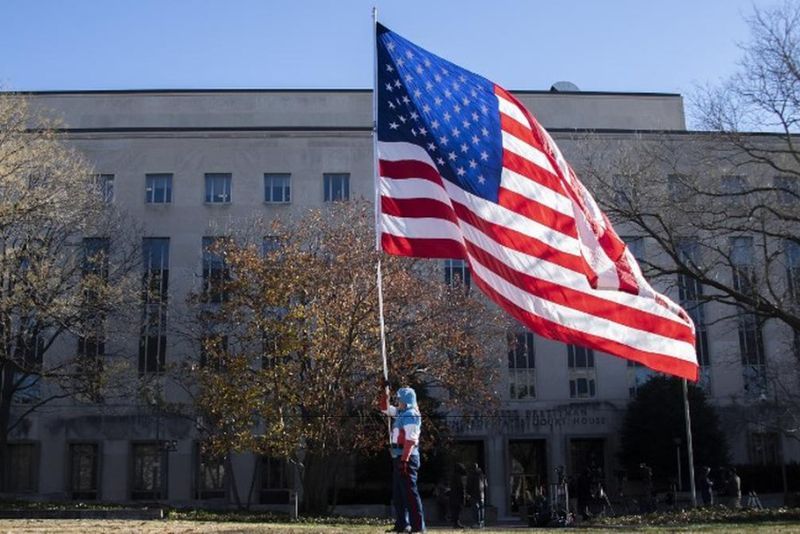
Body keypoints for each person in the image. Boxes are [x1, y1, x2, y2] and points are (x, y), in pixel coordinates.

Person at [380, 385, 426, 533]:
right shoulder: (401, 413)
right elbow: (384, 408)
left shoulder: (411, 414)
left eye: (399, 399)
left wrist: (405, 460)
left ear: (406, 401)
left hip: (407, 458)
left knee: (410, 494)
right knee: (399, 494)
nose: (397, 402)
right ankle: (402, 524)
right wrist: (384, 392)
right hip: (399, 456)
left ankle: (418, 527)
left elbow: (410, 440)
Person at [466, 463, 487, 528]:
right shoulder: (482, 475)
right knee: (481, 508)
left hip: (474, 495)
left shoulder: (471, 475)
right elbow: (486, 485)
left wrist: (468, 493)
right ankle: (482, 522)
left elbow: (469, 486)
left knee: (475, 509)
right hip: (482, 494)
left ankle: (477, 523)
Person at [449, 463, 467, 529]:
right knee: (457, 509)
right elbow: (460, 487)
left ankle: (455, 523)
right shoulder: (458, 477)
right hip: (457, 496)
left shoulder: (453, 476)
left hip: (453, 496)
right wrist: (463, 495)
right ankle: (456, 523)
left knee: (455, 510)